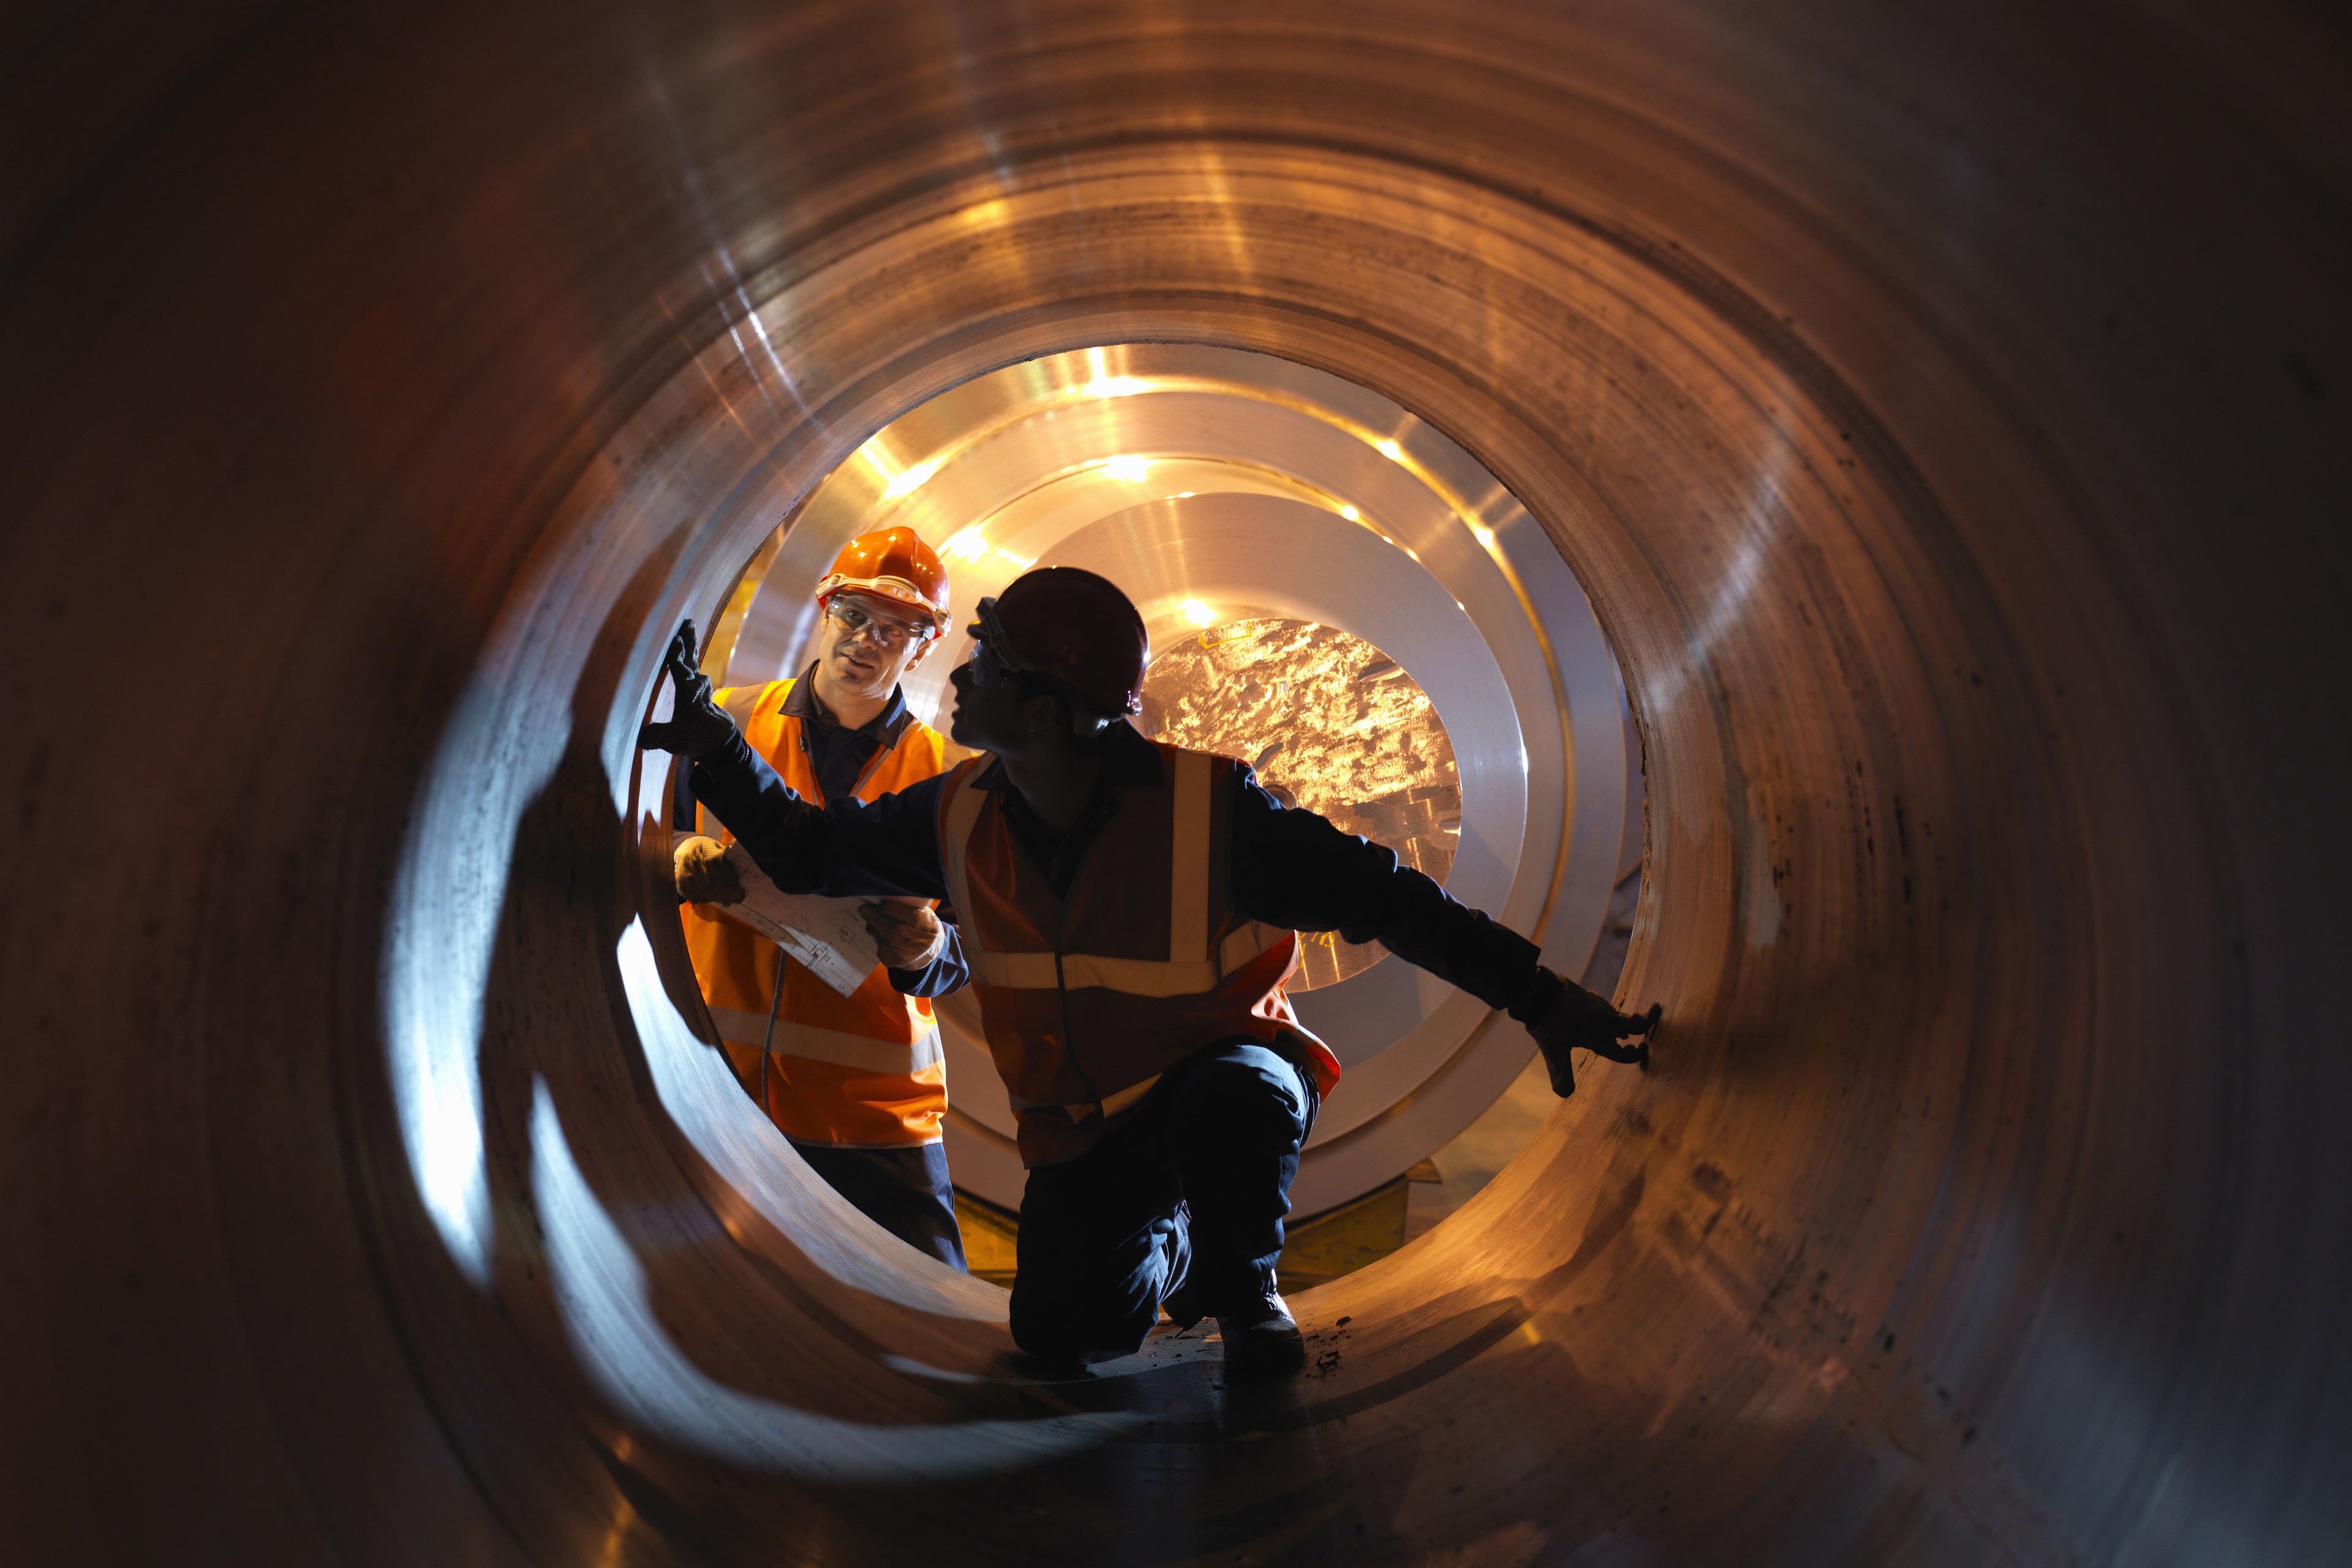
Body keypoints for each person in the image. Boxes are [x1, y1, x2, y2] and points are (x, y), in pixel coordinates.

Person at [642, 566, 1657, 1375]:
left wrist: (1539, 999)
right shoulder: (955, 813)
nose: (959, 679)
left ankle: (1246, 1288)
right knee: (1056, 1334)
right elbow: (808, 853)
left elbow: (1392, 900)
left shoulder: (1214, 816)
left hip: (1216, 1083)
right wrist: (711, 736)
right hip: (1087, 1134)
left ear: (1050, 711)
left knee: (1239, 1096)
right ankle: (1168, 1243)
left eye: (988, 665)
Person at [668, 527, 971, 1268]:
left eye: (896, 628)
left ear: (926, 646)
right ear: (822, 610)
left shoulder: (948, 777)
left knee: (931, 1307)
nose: (867, 641)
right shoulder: (725, 727)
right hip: (717, 1080)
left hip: (874, 1110)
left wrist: (933, 949)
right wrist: (678, 858)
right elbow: (633, 846)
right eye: (855, 615)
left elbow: (982, 946)